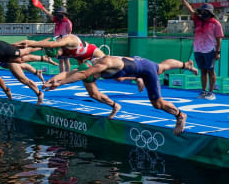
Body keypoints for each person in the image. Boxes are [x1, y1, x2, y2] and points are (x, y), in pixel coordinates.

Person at [42, 56, 199, 135]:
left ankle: (180, 115)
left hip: (145, 70)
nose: (94, 80)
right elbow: (70, 72)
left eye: (94, 77)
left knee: (157, 104)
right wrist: (52, 81)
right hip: (138, 63)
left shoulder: (103, 64)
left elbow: (83, 74)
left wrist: (60, 84)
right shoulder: (93, 63)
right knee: (161, 66)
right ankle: (186, 65)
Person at [177, 0, 224, 100]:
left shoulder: (216, 24)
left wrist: (218, 52)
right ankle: (203, 91)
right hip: (198, 49)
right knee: (203, 71)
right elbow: (190, 10)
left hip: (210, 50)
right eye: (202, 11)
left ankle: (211, 93)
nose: (203, 13)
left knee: (211, 71)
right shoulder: (197, 20)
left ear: (210, 12)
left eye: (205, 11)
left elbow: (219, 39)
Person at [42, 6, 73, 73]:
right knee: (60, 60)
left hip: (65, 42)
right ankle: (61, 74)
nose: (58, 14)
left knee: (66, 60)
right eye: (58, 13)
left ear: (64, 14)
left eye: (60, 13)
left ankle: (67, 74)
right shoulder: (57, 20)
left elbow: (69, 34)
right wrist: (44, 9)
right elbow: (49, 15)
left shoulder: (68, 22)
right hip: (57, 42)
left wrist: (67, 44)